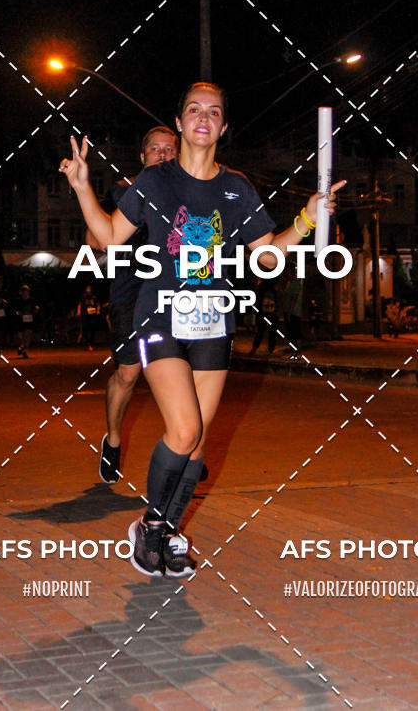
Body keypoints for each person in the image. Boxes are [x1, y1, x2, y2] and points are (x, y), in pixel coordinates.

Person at [60, 81, 343, 578]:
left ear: (223, 126)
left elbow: (268, 254)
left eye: (214, 111)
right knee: (184, 428)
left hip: (213, 321)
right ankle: (149, 526)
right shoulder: (153, 181)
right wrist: (83, 185)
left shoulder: (237, 187)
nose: (204, 117)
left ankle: (168, 533)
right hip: (157, 318)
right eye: (194, 109)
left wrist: (305, 219)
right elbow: (106, 236)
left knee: (198, 441)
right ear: (179, 121)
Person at [85, 127, 179, 485]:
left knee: (187, 371)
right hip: (131, 296)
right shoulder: (123, 191)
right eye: (154, 149)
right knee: (128, 374)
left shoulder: (192, 192)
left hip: (176, 295)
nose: (161, 154)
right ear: (143, 158)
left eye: (169, 149)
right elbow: (96, 240)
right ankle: (113, 440)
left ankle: (190, 447)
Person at [13, 284, 38, 359]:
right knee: (21, 336)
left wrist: (36, 309)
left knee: (28, 334)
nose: (25, 292)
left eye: (26, 290)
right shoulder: (18, 300)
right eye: (23, 290)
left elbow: (35, 308)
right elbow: (15, 310)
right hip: (21, 320)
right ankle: (22, 346)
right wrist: (18, 313)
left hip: (29, 319)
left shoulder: (32, 300)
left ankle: (25, 351)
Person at [77, 285, 101, 351]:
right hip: (85, 315)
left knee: (92, 330)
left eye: (89, 291)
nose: (88, 292)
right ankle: (88, 343)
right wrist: (78, 311)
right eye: (87, 291)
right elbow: (80, 304)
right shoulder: (83, 297)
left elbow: (98, 304)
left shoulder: (94, 297)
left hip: (92, 315)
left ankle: (91, 344)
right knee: (84, 330)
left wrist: (98, 310)